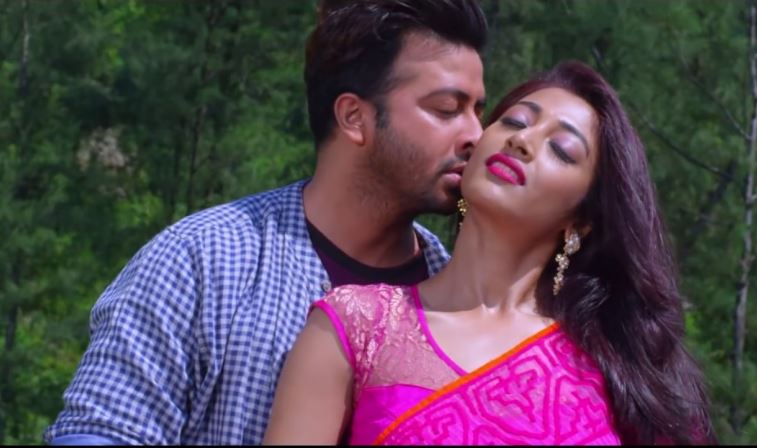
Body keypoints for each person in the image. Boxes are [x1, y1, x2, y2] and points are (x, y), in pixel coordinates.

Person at [44, 1, 487, 445]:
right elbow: (100, 433)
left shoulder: (461, 295)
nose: (476, 135)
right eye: (447, 109)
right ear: (354, 117)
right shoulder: (205, 260)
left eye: (478, 111)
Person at [262, 61, 716, 445]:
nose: (522, 141)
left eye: (561, 150)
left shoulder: (618, 366)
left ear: (581, 220)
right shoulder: (356, 327)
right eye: (515, 122)